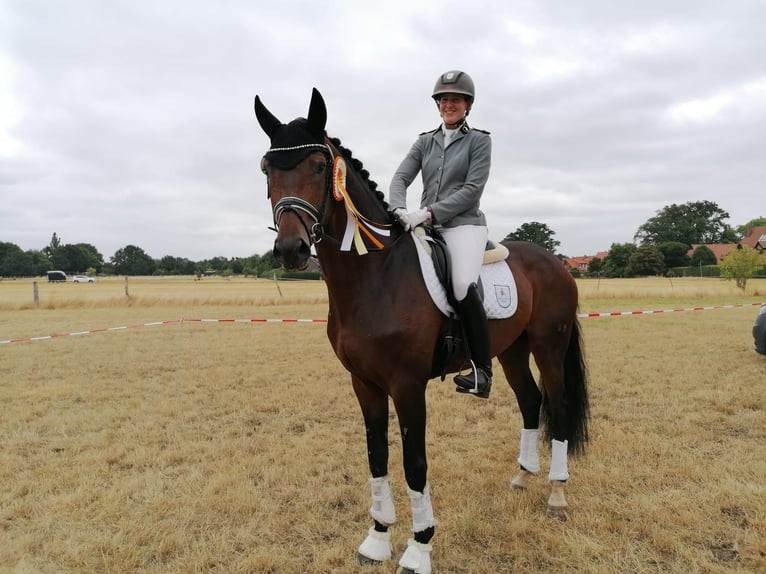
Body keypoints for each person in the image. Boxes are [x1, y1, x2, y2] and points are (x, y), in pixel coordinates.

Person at [389, 70, 493, 399]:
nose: (449, 104)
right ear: (438, 105)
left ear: (468, 106)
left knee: (462, 285)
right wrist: (398, 209)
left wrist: (429, 213)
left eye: (456, 100)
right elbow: (401, 177)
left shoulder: (479, 140)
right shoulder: (424, 141)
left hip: (463, 225)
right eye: (444, 100)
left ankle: (482, 371)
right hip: (424, 225)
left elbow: (472, 190)